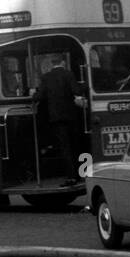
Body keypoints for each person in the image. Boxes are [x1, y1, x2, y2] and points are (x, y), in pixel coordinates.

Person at [34, 53, 86, 184]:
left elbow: (39, 97)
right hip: (71, 116)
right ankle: (80, 174)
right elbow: (77, 91)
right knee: (75, 145)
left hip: (56, 118)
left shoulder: (46, 77)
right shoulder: (68, 74)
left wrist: (32, 93)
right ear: (63, 62)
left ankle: (71, 176)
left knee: (65, 147)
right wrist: (85, 85)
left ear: (52, 64)